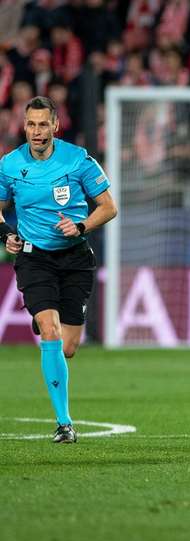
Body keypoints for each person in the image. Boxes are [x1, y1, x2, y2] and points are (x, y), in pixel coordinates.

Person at [0, 96, 118, 443]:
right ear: (24, 126)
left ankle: (45, 322)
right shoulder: (9, 165)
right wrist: (6, 234)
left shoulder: (78, 160)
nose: (36, 132)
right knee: (50, 333)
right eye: (31, 125)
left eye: (42, 125)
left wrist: (81, 226)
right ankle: (64, 423)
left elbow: (108, 207)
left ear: (55, 126)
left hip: (75, 259)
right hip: (34, 259)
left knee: (67, 348)